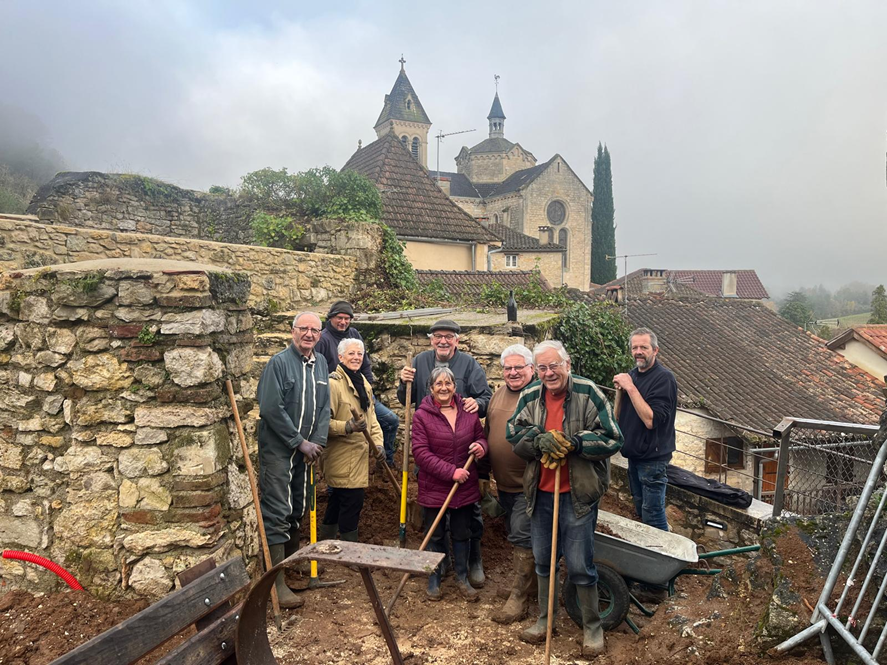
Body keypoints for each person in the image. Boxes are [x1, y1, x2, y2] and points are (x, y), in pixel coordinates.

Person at [507, 340, 623, 657]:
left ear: (567, 364)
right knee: (544, 561)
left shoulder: (588, 393)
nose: (548, 373)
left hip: (578, 496)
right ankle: (546, 621)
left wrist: (575, 443)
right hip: (541, 495)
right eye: (542, 367)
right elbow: (512, 432)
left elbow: (613, 437)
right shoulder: (531, 395)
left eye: (553, 365)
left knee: (579, 565)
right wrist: (537, 439)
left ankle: (592, 628)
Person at [397, 319, 492, 587]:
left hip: (463, 463)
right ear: (431, 339)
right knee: (434, 523)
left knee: (467, 519)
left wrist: (478, 403)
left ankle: (472, 561)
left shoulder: (470, 365)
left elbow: (485, 398)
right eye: (438, 336)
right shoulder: (418, 361)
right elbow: (405, 396)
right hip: (434, 460)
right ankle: (439, 567)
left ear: (456, 340)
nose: (443, 341)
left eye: (448, 337)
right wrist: (403, 382)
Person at [257, 312, 330, 609]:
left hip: (307, 451)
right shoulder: (278, 364)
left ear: (320, 335)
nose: (309, 334)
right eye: (304, 329)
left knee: (298, 506)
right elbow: (271, 409)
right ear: (292, 332)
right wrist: (298, 442)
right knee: (278, 509)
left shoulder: (322, 363)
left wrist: (318, 442)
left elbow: (324, 407)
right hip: (279, 450)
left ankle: (291, 561)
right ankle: (277, 582)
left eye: (314, 330)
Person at [411, 367, 489, 601]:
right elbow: (420, 453)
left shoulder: (468, 411)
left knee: (461, 533)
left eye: (448, 383)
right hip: (434, 486)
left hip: (464, 486)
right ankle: (434, 579)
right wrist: (450, 472)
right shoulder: (422, 415)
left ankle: (462, 578)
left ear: (455, 387)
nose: (443, 388)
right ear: (431, 388)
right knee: (434, 534)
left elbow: (480, 437)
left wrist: (481, 447)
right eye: (438, 384)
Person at [484, 344, 538, 624]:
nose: (513, 372)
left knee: (522, 537)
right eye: (508, 368)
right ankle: (529, 586)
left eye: (519, 367)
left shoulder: (539, 396)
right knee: (515, 534)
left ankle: (520, 596)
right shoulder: (497, 396)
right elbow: (488, 434)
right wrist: (483, 475)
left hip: (530, 486)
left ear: (532, 369)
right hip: (503, 485)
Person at [315, 300, 400, 467]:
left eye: (347, 318)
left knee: (391, 420)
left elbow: (365, 365)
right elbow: (319, 373)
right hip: (339, 398)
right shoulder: (323, 340)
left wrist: (367, 392)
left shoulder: (353, 333)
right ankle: (335, 478)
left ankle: (384, 462)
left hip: (361, 394)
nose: (343, 322)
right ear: (331, 317)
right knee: (346, 435)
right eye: (340, 318)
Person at [319, 338, 384, 542]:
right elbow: (321, 424)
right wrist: (347, 426)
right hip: (341, 456)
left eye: (359, 354)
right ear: (340, 357)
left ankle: (325, 542)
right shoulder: (333, 384)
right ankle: (350, 549)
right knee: (352, 502)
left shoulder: (362, 382)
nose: (356, 357)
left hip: (359, 454)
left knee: (338, 500)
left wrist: (378, 442)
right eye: (351, 354)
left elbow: (371, 418)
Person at [613, 327, 677, 532]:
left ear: (655, 350)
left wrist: (630, 388)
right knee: (641, 509)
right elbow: (617, 416)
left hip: (653, 459)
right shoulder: (632, 375)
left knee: (653, 514)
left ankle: (664, 558)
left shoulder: (663, 379)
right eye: (635, 347)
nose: (638, 351)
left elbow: (651, 420)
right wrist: (620, 391)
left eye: (644, 347)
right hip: (634, 456)